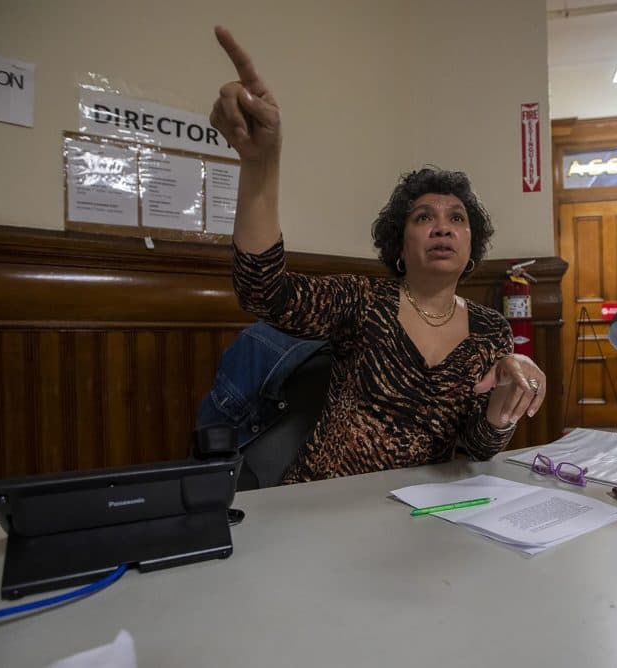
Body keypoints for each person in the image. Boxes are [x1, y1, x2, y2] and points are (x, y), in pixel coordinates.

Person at [209, 26, 546, 483]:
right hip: (326, 502)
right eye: (424, 217)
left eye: (457, 218)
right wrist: (261, 164)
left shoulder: (491, 332)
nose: (443, 225)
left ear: (470, 249)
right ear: (401, 245)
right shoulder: (364, 302)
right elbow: (262, 291)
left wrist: (500, 416)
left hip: (425, 514)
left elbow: (474, 450)